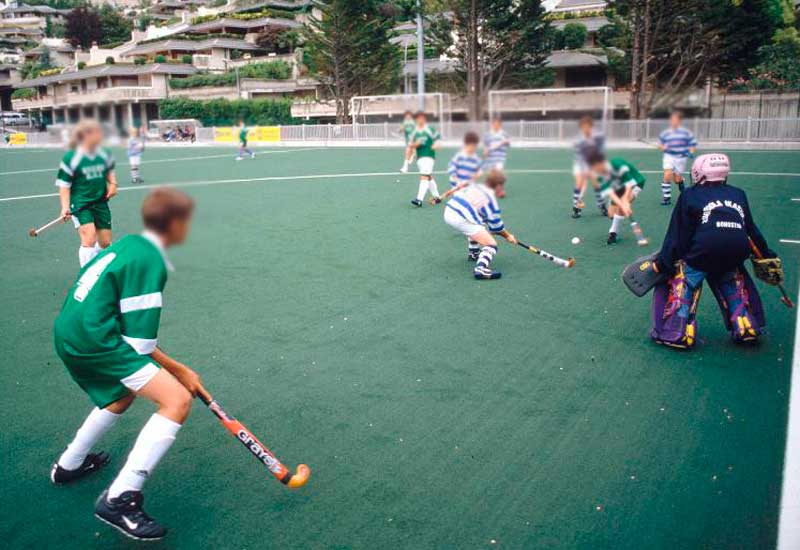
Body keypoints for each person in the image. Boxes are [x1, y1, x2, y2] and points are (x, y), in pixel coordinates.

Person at [51, 188, 201, 541]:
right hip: (95, 340)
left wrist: (177, 368)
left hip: (71, 332)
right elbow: (139, 346)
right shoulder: (151, 262)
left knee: (122, 392)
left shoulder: (131, 243)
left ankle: (69, 465)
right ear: (176, 224)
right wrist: (181, 372)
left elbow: (134, 342)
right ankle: (119, 499)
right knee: (176, 400)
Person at [647, 153, 783, 348]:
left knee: (684, 277)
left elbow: (678, 235)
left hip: (703, 251)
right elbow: (751, 230)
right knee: (729, 275)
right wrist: (766, 254)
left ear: (699, 173)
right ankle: (746, 326)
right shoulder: (738, 194)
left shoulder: (689, 195)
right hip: (736, 251)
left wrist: (663, 263)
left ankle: (676, 331)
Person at [55, 120, 118, 267]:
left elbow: (109, 171)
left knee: (105, 242)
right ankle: (86, 276)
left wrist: (113, 184)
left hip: (100, 202)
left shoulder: (105, 154)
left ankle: (97, 267)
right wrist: (65, 207)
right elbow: (64, 186)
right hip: (80, 203)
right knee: (89, 238)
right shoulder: (71, 158)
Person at [443, 170, 517, 279]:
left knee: (477, 224)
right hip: (459, 217)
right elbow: (496, 227)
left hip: (449, 211)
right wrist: (508, 236)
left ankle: (474, 253)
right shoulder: (489, 200)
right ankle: (480, 269)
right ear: (498, 186)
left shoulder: (475, 187)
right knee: (491, 244)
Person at [588, 151, 647, 246]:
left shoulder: (618, 164)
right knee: (611, 215)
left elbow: (629, 184)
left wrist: (626, 202)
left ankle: (613, 233)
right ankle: (619, 214)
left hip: (635, 183)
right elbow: (610, 193)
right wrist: (621, 203)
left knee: (621, 209)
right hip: (618, 188)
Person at [658, 110, 698, 205]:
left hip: (681, 158)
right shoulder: (665, 133)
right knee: (667, 175)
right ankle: (666, 198)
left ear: (680, 121)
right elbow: (661, 145)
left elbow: (692, 144)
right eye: (672, 120)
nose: (673, 121)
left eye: (675, 120)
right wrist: (663, 147)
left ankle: (681, 184)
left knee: (677, 179)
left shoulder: (686, 133)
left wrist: (690, 152)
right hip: (669, 156)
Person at [571, 116, 607, 219]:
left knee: (596, 185)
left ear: (591, 127)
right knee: (579, 184)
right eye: (583, 127)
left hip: (593, 163)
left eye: (587, 127)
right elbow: (579, 156)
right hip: (580, 164)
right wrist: (585, 170)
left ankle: (601, 205)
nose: (585, 129)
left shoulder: (597, 138)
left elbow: (600, 153)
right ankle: (576, 208)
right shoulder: (579, 140)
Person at [408, 111, 442, 207]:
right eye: (418, 118)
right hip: (420, 157)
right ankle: (437, 197)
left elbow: (438, 139)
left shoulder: (430, 129)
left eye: (422, 118)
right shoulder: (414, 132)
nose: (420, 120)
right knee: (428, 176)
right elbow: (411, 145)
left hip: (428, 156)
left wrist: (436, 145)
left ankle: (419, 200)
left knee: (424, 176)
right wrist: (414, 145)